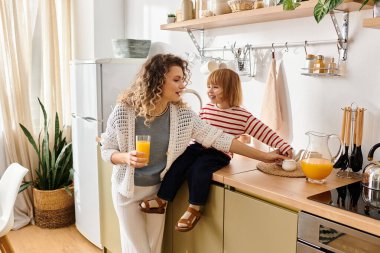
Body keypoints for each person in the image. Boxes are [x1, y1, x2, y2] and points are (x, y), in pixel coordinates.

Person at [101, 54, 288, 253]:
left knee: (153, 248)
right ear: (156, 79)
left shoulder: (183, 115)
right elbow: (107, 150)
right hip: (127, 190)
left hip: (157, 191)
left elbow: (220, 138)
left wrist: (265, 156)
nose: (182, 85)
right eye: (176, 80)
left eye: (183, 79)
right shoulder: (125, 110)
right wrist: (125, 158)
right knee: (140, 250)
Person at [139, 68, 293, 233]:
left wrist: (286, 147)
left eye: (215, 87)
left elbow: (264, 132)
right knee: (179, 163)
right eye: (209, 86)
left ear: (229, 89)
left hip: (219, 153)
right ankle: (162, 200)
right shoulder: (207, 109)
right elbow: (195, 130)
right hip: (197, 147)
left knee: (199, 170)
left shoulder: (242, 116)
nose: (209, 91)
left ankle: (194, 208)